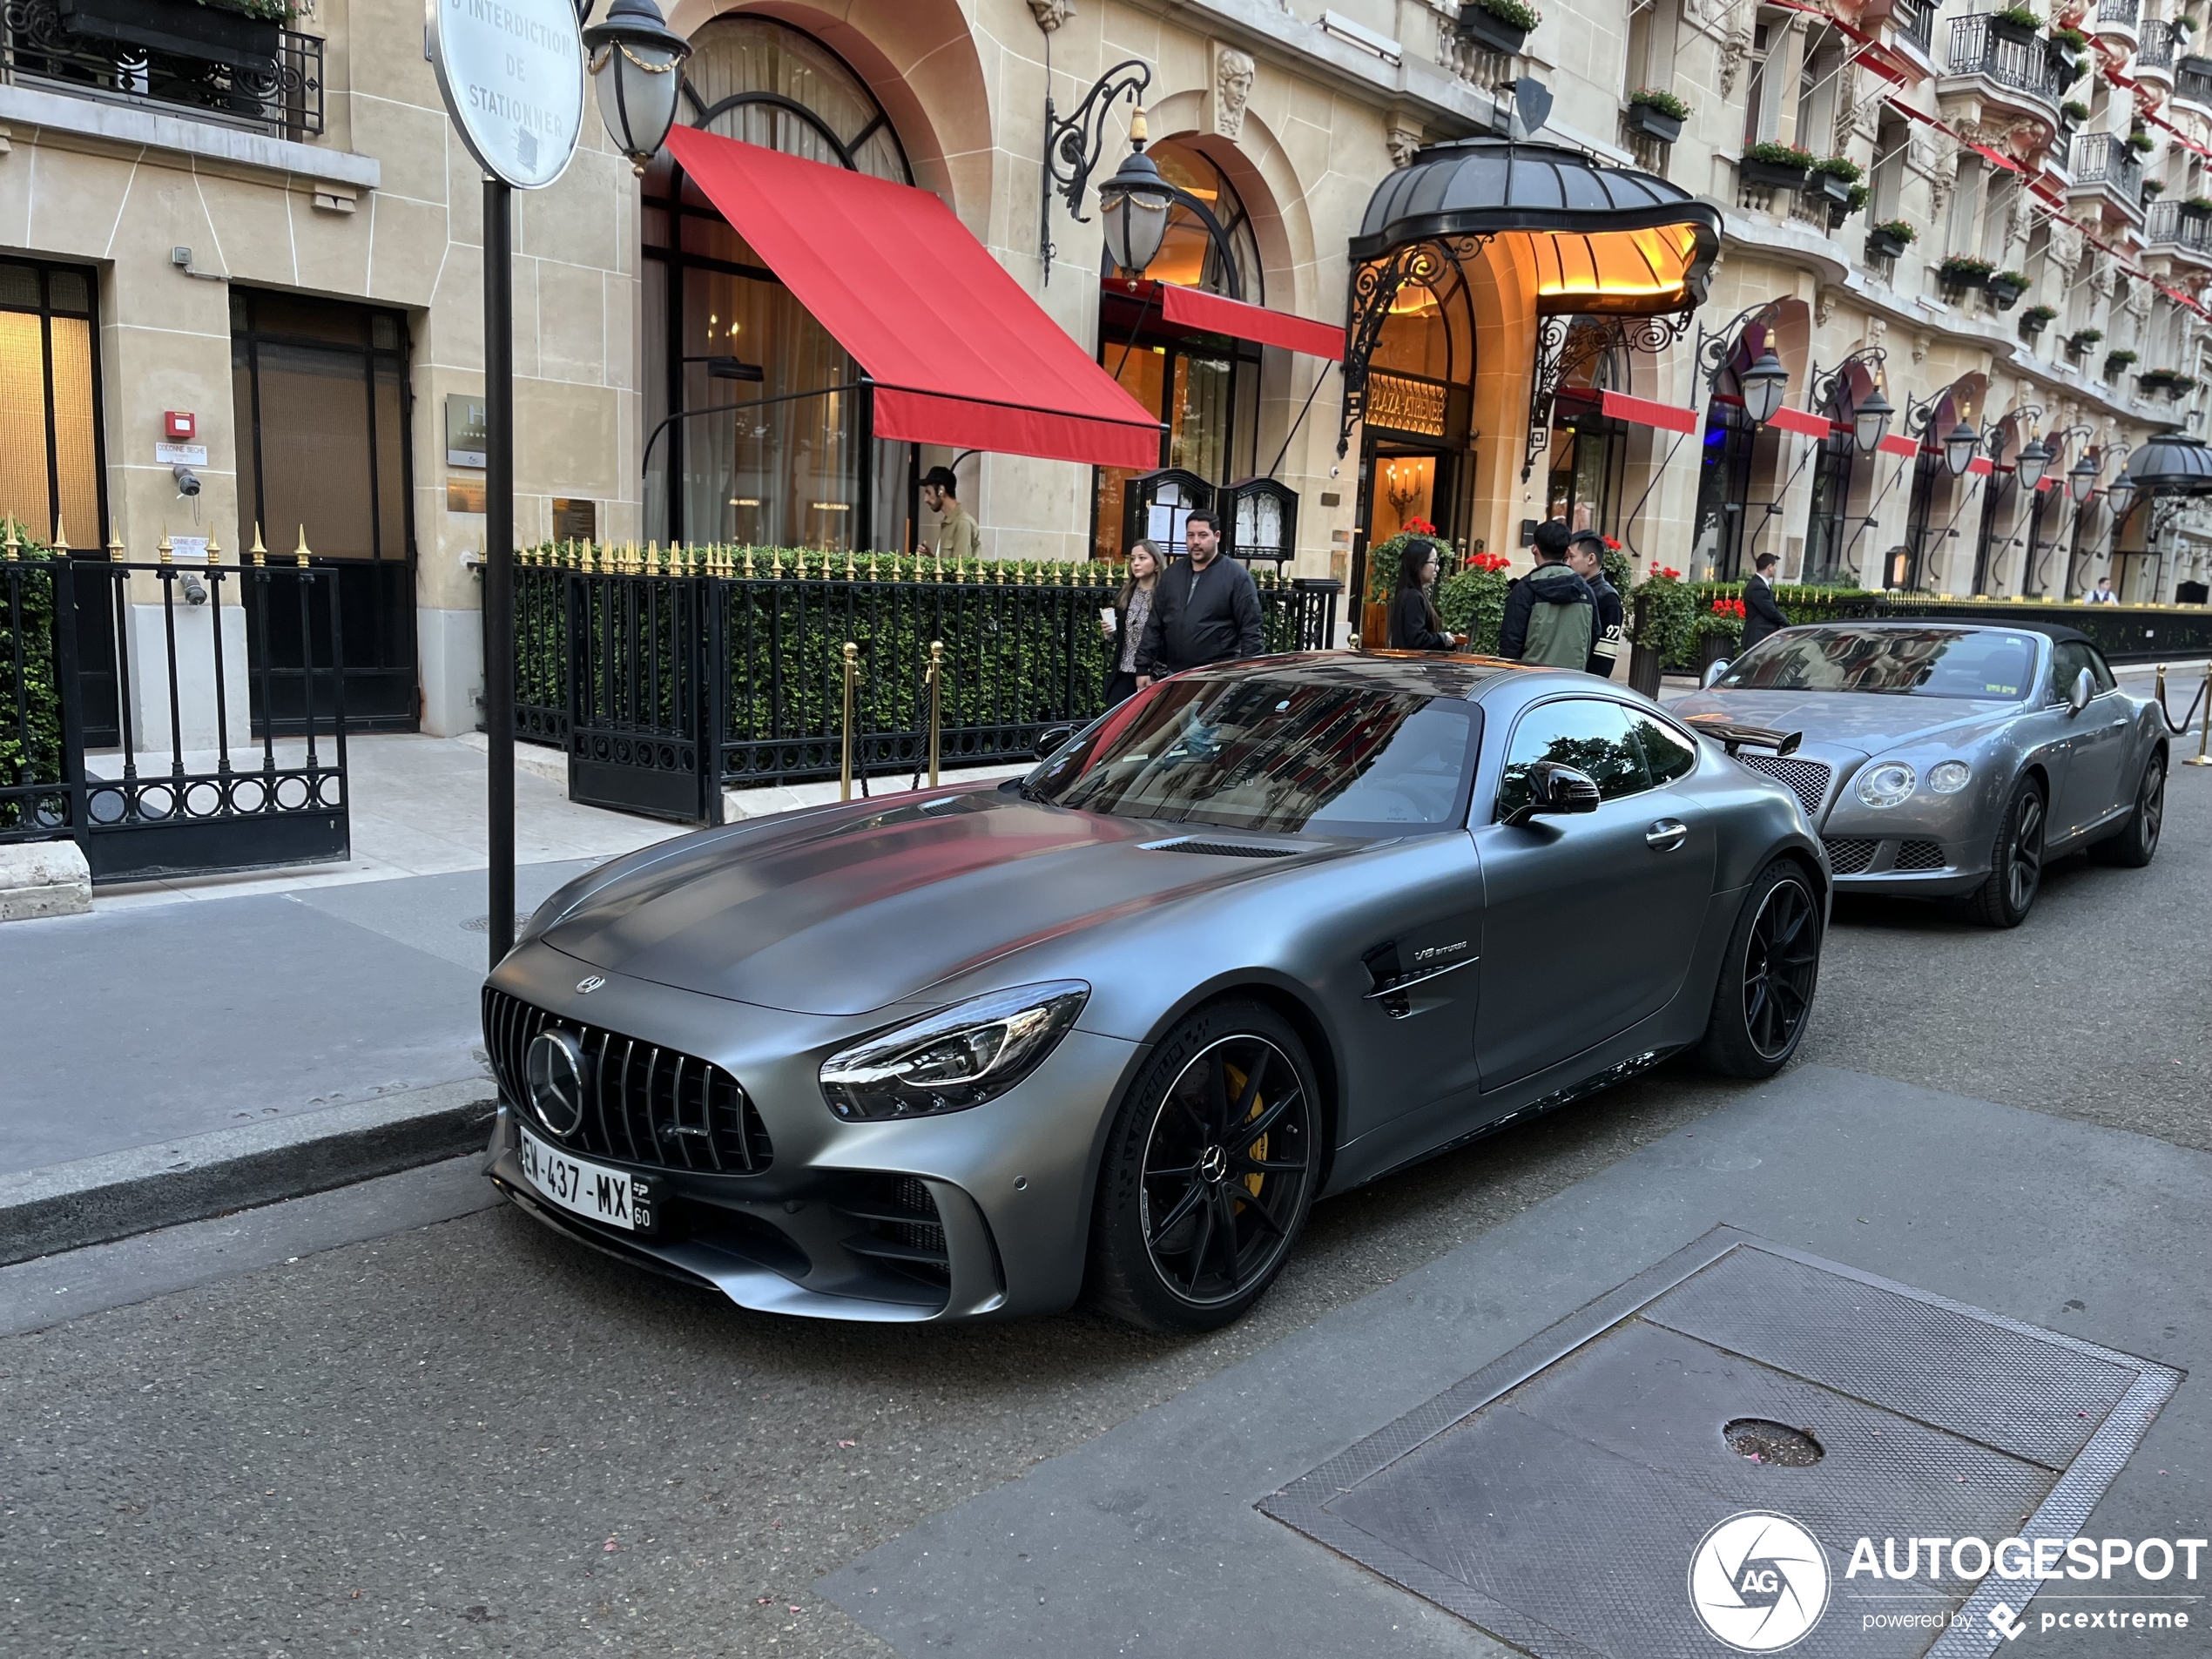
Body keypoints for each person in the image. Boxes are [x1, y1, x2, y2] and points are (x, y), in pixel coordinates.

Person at [1135, 511, 1263, 685]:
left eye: (1202, 535)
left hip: (1217, 675)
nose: (1195, 541)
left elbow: (1251, 631)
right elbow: (1154, 623)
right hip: (1174, 674)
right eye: (1190, 535)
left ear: (1217, 536)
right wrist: (1143, 666)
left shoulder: (1237, 577)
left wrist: (1247, 678)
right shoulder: (1172, 574)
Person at [1498, 519, 1595, 670]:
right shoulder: (1585, 590)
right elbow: (1594, 636)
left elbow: (1510, 644)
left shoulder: (1525, 589)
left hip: (1532, 681)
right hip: (1573, 682)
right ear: (1567, 552)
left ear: (1534, 549)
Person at [1102, 539, 1163, 706]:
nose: (1136, 563)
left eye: (1142, 558)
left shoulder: (1164, 596)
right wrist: (1109, 632)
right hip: (1124, 670)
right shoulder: (1126, 593)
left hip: (1152, 673)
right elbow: (1119, 637)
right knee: (1113, 720)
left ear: (1156, 564)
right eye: (1133, 559)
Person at [1565, 529, 1623, 678]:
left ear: (1591, 559)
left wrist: (1589, 685)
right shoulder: (1572, 588)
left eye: (1572, 557)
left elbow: (1605, 656)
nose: (1567, 563)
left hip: (1583, 681)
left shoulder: (1608, 598)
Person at [1388, 537, 1464, 651]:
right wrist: (1443, 638)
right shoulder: (1414, 597)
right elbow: (1417, 639)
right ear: (1418, 564)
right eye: (1434, 562)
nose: (1437, 568)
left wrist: (1449, 641)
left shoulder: (1406, 593)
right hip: (1413, 666)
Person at [921, 465, 981, 563]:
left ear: (941, 490)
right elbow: (947, 568)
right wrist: (929, 556)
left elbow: (960, 572)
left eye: (929, 492)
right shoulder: (949, 522)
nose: (925, 499)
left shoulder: (963, 523)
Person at [1742, 551, 1787, 651]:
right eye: (1775, 566)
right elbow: (1771, 612)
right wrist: (1788, 626)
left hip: (1761, 636)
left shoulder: (1760, 584)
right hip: (1758, 637)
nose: (1775, 569)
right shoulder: (1758, 586)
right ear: (1770, 567)